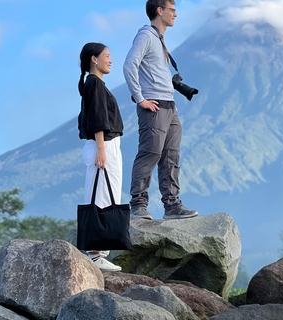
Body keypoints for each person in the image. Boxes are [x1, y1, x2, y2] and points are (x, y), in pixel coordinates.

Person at [123, 0, 198, 220]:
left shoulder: (159, 38)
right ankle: (138, 204)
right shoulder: (146, 35)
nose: (176, 15)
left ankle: (172, 206)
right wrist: (140, 99)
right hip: (153, 105)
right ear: (160, 11)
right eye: (172, 10)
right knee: (151, 153)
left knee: (171, 157)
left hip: (170, 105)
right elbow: (129, 65)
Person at [78, 42, 124, 271]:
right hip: (102, 145)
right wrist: (101, 148)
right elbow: (97, 118)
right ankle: (95, 254)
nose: (110, 60)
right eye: (107, 55)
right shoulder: (94, 84)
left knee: (107, 193)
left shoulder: (94, 84)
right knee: (101, 195)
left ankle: (99, 251)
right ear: (94, 59)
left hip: (105, 145)